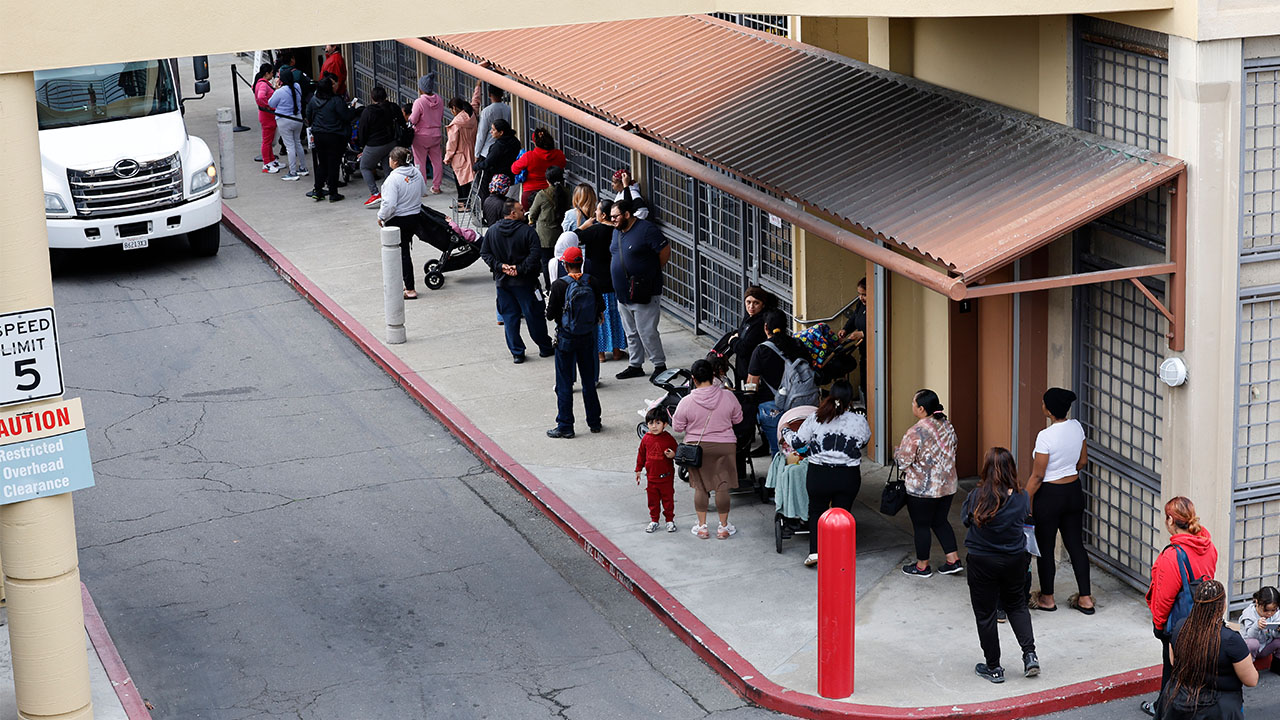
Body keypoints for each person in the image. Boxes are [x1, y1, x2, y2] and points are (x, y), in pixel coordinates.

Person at [962, 447, 1039, 684]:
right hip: (1014, 559)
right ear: (1012, 470)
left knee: (986, 614)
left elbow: (966, 520)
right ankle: (1030, 654)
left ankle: (994, 667)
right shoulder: (1022, 497)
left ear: (986, 469)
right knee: (1017, 605)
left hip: (981, 561)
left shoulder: (976, 497)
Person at [1141, 497, 1219, 718]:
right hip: (1203, 616)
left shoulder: (1172, 556)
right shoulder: (1208, 545)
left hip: (1179, 623)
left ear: (1169, 521)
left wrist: (1158, 626)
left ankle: (1164, 708)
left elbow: (1163, 598)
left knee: (1172, 668)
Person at [787, 379, 869, 567]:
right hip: (848, 475)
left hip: (819, 474)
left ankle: (815, 552)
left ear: (830, 396)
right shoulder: (859, 420)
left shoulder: (816, 417)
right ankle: (840, 555)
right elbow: (863, 441)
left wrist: (785, 431)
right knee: (843, 514)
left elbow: (798, 443)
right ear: (850, 401)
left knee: (817, 512)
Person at [1025, 388, 1093, 614]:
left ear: (1049, 410)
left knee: (1045, 547)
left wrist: (1024, 499)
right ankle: (1085, 598)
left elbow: (1037, 476)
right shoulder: (1076, 427)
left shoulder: (1045, 436)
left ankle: (1047, 598)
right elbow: (1082, 461)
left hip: (1050, 495)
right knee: (1075, 545)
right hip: (1074, 491)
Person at [1162, 580, 1258, 719]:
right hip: (1218, 709)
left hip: (1180, 701)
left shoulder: (1180, 627)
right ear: (1223, 606)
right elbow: (1251, 680)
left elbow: (1173, 661)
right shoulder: (1231, 640)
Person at [671, 359, 743, 540]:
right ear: (713, 376)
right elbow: (738, 419)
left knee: (700, 488)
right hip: (725, 446)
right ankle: (724, 527)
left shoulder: (687, 401)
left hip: (697, 448)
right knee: (722, 487)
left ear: (693, 379)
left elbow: (677, 427)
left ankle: (702, 527)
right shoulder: (728, 396)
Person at [895, 388, 962, 577]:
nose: (912, 406)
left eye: (913, 404)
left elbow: (903, 462)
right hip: (948, 485)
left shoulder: (916, 431)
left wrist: (897, 452)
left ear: (922, 409)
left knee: (921, 526)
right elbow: (954, 446)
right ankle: (953, 559)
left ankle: (922, 566)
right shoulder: (947, 425)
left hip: (922, 489)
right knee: (940, 521)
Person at [480, 198, 554, 364]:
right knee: (534, 316)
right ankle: (544, 347)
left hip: (503, 283)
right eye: (521, 210)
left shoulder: (492, 231)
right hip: (526, 284)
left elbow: (485, 253)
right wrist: (519, 269)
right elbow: (536, 256)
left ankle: (517, 352)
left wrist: (501, 267)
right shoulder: (528, 232)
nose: (524, 212)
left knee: (510, 319)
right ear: (512, 213)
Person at [544, 246, 603, 439]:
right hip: (587, 337)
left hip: (566, 339)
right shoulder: (592, 281)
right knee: (588, 381)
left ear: (565, 264)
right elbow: (600, 307)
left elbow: (551, 314)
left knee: (564, 383)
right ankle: (594, 421)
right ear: (581, 263)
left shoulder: (559, 285)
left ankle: (565, 425)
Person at [609, 199, 669, 380]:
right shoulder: (617, 232)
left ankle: (659, 364)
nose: (613, 220)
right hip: (622, 293)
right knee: (631, 332)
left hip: (644, 291)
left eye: (616, 216)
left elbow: (664, 251)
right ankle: (635, 365)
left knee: (647, 331)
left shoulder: (646, 230)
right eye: (611, 217)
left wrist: (650, 272)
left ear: (627, 214)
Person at [746, 309, 810, 454]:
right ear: (786, 325)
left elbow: (752, 384)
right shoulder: (798, 344)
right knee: (802, 449)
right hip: (803, 404)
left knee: (780, 451)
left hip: (772, 407)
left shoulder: (761, 350)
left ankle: (782, 475)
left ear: (765, 327)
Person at [576, 199, 626, 365]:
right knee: (616, 315)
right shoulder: (619, 231)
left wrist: (584, 225)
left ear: (603, 215)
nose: (595, 213)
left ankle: (601, 353)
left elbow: (574, 237)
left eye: (597, 211)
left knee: (599, 316)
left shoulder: (594, 231)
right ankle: (617, 350)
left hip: (596, 280)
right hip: (614, 279)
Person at [376, 148, 426, 300]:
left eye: (390, 158)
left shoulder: (393, 179)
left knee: (402, 254)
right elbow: (423, 190)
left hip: (399, 219)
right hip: (415, 216)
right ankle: (407, 286)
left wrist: (381, 216)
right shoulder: (416, 173)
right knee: (405, 251)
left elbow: (389, 204)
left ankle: (410, 289)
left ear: (395, 162)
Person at [304, 78, 356, 203]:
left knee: (322, 163)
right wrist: (352, 109)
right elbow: (346, 116)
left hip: (319, 135)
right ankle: (333, 192)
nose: (335, 85)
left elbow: (308, 115)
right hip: (334, 135)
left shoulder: (313, 100)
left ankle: (318, 190)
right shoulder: (336, 101)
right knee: (333, 164)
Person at [713, 286, 776, 389]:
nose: (751, 306)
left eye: (756, 303)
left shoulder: (759, 323)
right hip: (744, 369)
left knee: (749, 396)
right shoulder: (749, 317)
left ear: (763, 305)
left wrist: (733, 340)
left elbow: (743, 348)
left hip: (753, 372)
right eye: (748, 302)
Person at [636, 406, 678, 533]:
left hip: (666, 477)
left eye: (658, 423)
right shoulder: (646, 439)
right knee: (652, 501)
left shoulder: (668, 438)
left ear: (665, 424)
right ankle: (654, 520)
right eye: (651, 423)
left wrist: (673, 455)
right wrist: (638, 469)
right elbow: (641, 455)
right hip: (652, 477)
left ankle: (670, 520)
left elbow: (677, 451)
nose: (654, 426)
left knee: (668, 499)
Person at [356, 86, 400, 207]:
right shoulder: (392, 107)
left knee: (364, 166)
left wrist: (363, 147)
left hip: (374, 144)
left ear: (372, 97)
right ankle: (390, 193)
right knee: (388, 169)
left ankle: (375, 193)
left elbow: (362, 131)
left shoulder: (369, 111)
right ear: (386, 96)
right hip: (391, 142)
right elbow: (401, 122)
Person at [529, 165, 571, 288]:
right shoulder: (567, 192)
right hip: (561, 233)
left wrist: (532, 222)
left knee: (547, 263)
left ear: (547, 179)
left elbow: (532, 214)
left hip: (545, 236)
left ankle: (550, 287)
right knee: (561, 261)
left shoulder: (542, 195)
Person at [512, 127, 566, 209]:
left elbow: (514, 169)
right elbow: (562, 166)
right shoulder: (559, 155)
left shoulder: (529, 156)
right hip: (552, 193)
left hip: (530, 193)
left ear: (535, 143)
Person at [268, 68, 306, 181]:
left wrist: (276, 89)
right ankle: (303, 168)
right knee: (297, 143)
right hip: (298, 119)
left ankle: (293, 172)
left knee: (290, 146)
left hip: (284, 120)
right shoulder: (297, 87)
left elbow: (271, 103)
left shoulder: (280, 91)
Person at [410, 73, 445, 195]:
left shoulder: (419, 102)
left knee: (419, 162)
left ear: (421, 88)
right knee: (437, 161)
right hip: (436, 134)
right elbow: (440, 116)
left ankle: (422, 189)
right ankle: (436, 187)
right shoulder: (439, 100)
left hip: (421, 135)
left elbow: (413, 119)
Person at [444, 96, 479, 211]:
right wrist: (477, 89)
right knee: (466, 179)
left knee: (461, 180)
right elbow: (475, 103)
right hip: (471, 150)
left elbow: (452, 142)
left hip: (459, 154)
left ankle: (464, 204)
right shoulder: (471, 115)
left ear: (454, 108)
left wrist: (447, 157)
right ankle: (462, 202)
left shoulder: (456, 123)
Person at [836, 277, 868, 398]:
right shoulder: (861, 304)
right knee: (864, 383)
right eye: (859, 294)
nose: (861, 298)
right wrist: (845, 329)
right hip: (863, 351)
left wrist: (863, 334)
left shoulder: (878, 307)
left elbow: (880, 328)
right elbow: (854, 318)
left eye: (864, 295)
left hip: (873, 353)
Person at [480, 119, 521, 197]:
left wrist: (477, 166)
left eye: (493, 129)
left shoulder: (499, 146)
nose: (491, 131)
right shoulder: (515, 141)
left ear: (501, 132)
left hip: (499, 180)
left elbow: (488, 162)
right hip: (512, 177)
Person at [1239, 586, 1280, 664]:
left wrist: (1277, 630)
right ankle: (1249, 666)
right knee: (1253, 643)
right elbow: (1249, 636)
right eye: (1266, 610)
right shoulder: (1249, 614)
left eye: (1273, 610)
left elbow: (1275, 636)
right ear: (1257, 603)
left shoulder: (1276, 614)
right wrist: (1256, 626)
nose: (1269, 613)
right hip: (1248, 650)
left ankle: (1277, 663)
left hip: (1266, 646)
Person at [473, 80, 511, 160]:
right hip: (505, 149)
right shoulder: (508, 109)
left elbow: (481, 134)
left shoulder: (487, 111)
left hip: (487, 151)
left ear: (489, 94)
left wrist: (476, 154)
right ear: (502, 94)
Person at [253, 64, 280, 174]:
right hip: (267, 116)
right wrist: (269, 106)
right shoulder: (263, 85)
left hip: (266, 115)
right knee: (267, 141)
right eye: (271, 73)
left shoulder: (259, 83)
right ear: (267, 73)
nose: (273, 75)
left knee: (268, 140)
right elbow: (260, 97)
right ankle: (267, 163)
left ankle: (271, 160)